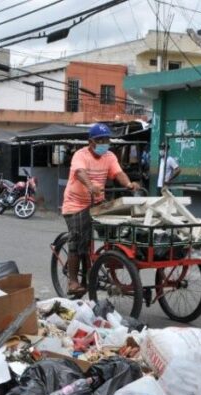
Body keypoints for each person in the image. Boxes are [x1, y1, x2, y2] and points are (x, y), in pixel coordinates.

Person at [61, 123, 140, 296]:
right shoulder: (80, 155)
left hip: (97, 202)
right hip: (75, 205)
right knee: (77, 241)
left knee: (116, 229)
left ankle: (102, 263)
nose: (105, 142)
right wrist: (90, 185)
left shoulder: (109, 156)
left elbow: (118, 173)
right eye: (100, 140)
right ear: (91, 142)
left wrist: (128, 184)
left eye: (107, 139)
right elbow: (80, 172)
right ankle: (72, 281)